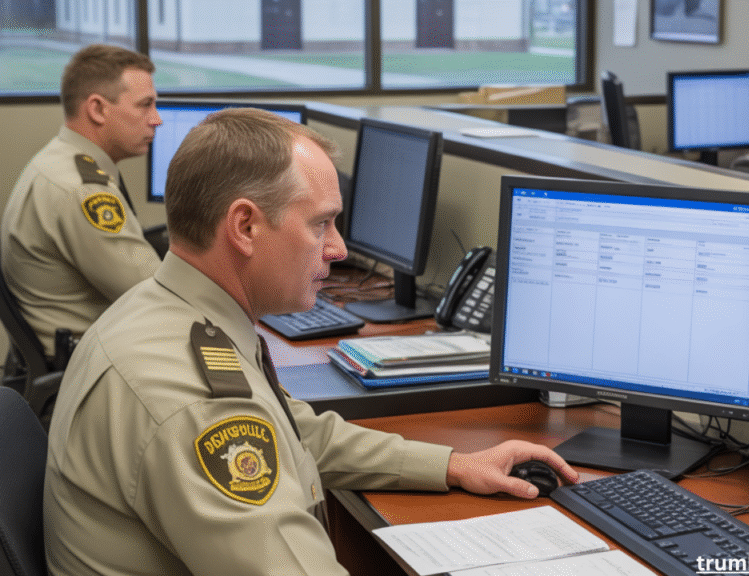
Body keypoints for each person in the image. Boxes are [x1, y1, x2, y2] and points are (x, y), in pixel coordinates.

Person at [43, 107, 579, 576]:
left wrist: (454, 464)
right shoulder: (186, 395)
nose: (339, 249)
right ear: (245, 227)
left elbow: (295, 432)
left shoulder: (172, 313)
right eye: (321, 225)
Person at [1, 44, 162, 357]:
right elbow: (157, 294)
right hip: (92, 361)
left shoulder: (59, 160)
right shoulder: (83, 190)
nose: (156, 119)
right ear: (98, 109)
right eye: (146, 105)